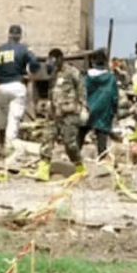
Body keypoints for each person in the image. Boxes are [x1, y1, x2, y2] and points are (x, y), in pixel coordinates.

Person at [34, 49, 89, 181]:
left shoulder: (72, 72)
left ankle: (80, 167)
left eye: (54, 59)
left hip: (69, 112)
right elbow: (49, 90)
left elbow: (81, 90)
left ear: (60, 59)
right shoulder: (51, 73)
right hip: (54, 113)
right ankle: (43, 170)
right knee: (47, 139)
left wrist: (83, 108)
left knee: (70, 143)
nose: (52, 62)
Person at [0, 25, 41, 155]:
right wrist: (31, 74)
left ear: (9, 35)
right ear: (20, 36)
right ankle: (9, 147)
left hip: (1, 87)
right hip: (17, 86)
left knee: (2, 115)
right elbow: (35, 63)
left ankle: (1, 143)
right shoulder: (23, 49)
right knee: (14, 118)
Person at [80, 49, 118, 160]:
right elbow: (114, 96)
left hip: (88, 108)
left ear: (92, 61)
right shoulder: (110, 78)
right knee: (102, 135)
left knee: (81, 132)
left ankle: (74, 157)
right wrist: (114, 110)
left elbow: (81, 92)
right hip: (104, 110)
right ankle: (102, 158)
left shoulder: (86, 77)